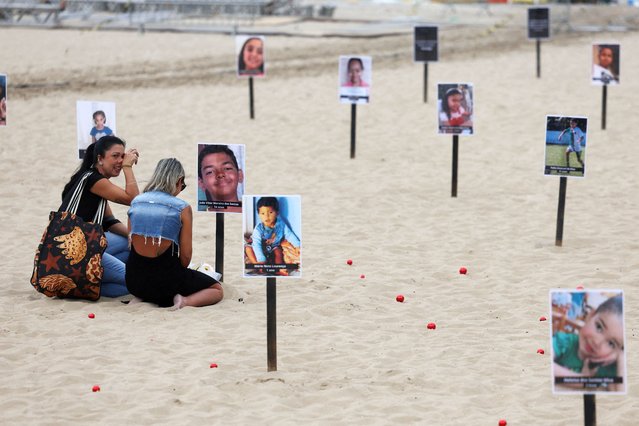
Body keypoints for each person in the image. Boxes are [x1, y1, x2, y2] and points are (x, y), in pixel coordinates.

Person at [126, 158, 223, 309]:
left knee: (149, 270)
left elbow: (130, 243)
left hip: (134, 282)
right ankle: (183, 301)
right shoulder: (182, 208)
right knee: (216, 289)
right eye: (182, 185)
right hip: (166, 285)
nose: (180, 189)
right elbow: (185, 258)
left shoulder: (136, 202)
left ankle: (143, 297)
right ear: (178, 181)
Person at [60, 136, 140, 297]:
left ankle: (85, 285)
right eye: (115, 156)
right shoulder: (94, 180)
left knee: (131, 247)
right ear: (100, 159)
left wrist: (132, 236)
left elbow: (109, 222)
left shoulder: (86, 177)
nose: (120, 160)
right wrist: (128, 168)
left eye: (122, 156)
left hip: (79, 247)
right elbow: (134, 199)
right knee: (137, 282)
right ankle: (82, 284)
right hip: (76, 254)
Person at [553, 295, 624, 392]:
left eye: (611, 343)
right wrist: (584, 380)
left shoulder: (608, 368)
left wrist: (621, 358)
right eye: (599, 327)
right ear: (590, 316)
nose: (597, 342)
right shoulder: (564, 341)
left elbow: (622, 396)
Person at [245, 197, 300, 276]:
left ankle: (279, 269)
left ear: (277, 213)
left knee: (278, 251)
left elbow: (289, 234)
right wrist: (261, 259)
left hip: (273, 247)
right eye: (262, 213)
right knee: (248, 248)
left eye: (270, 212)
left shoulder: (281, 224)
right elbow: (256, 244)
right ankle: (258, 266)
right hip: (260, 247)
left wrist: (297, 245)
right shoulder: (258, 229)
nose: (266, 216)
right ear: (259, 214)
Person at [197, 144, 244, 213]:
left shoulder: (250, 210)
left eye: (227, 168)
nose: (220, 174)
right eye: (210, 172)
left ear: (240, 175)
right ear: (201, 183)